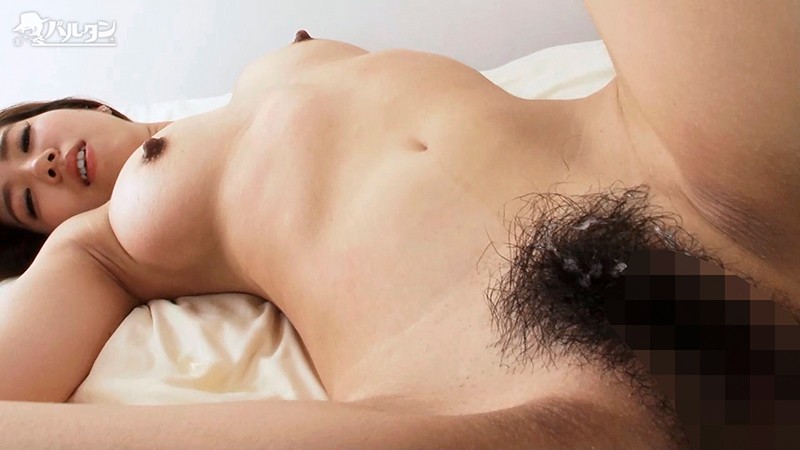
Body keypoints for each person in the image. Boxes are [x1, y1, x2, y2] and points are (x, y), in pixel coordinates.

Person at [0, 1, 798, 447]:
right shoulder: (97, 245)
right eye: (23, 200)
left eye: (23, 142)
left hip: (669, 162)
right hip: (492, 384)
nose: (40, 168)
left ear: (82, 103)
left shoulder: (262, 74)